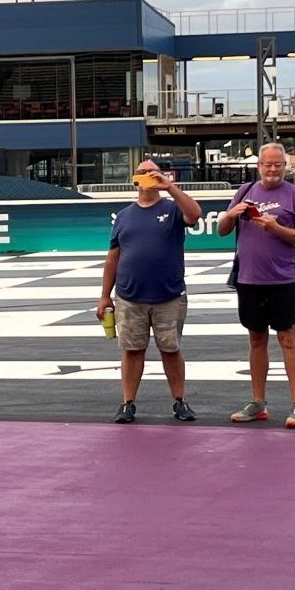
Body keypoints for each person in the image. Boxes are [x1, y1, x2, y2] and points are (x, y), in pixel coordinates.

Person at [216, 143, 295, 428]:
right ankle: (257, 402)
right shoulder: (245, 192)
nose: (272, 170)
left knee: (288, 338)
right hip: (249, 280)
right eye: (267, 164)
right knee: (256, 339)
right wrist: (232, 214)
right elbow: (223, 231)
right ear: (259, 165)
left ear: (286, 165)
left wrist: (276, 228)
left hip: (283, 279)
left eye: (278, 165)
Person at [96, 159, 202, 424]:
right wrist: (104, 295)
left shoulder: (173, 208)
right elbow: (113, 257)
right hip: (130, 296)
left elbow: (195, 215)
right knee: (132, 350)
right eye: (143, 172)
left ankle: (179, 401)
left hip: (169, 295)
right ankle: (128, 402)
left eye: (153, 172)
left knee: (171, 349)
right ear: (134, 180)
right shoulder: (123, 216)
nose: (148, 176)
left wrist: (171, 188)